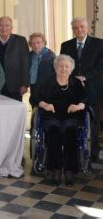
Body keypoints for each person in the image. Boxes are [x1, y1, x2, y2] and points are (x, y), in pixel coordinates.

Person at [30, 55, 89, 186]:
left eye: (66, 66)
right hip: (51, 116)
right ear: (55, 68)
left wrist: (79, 105)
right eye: (60, 66)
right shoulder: (47, 82)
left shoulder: (76, 83)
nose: (63, 69)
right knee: (54, 132)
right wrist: (44, 105)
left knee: (70, 132)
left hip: (71, 117)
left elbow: (86, 98)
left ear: (71, 69)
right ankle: (56, 170)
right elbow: (33, 98)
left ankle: (69, 170)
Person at [60, 17, 103, 162]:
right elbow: (63, 65)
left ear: (87, 28)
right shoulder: (66, 45)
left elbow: (101, 67)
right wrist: (73, 79)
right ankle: (74, 152)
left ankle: (93, 154)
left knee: (94, 121)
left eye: (81, 27)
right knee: (74, 119)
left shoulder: (99, 43)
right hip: (73, 89)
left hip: (93, 88)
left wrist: (84, 77)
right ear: (72, 30)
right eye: (75, 27)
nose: (79, 30)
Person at [0, 16, 30, 101]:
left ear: (11, 28)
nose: (4, 28)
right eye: (1, 25)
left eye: (7, 25)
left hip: (15, 86)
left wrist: (24, 84)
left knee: (15, 111)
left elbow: (25, 63)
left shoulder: (20, 40)